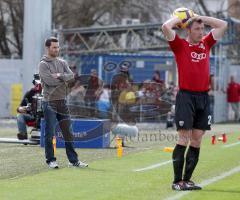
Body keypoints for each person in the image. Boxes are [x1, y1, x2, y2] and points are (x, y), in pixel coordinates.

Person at [162, 13, 227, 190]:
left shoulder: (206, 44)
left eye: (202, 29)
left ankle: (187, 179)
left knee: (197, 139)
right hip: (186, 97)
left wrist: (200, 17)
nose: (201, 31)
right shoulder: (180, 45)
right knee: (184, 137)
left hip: (203, 98)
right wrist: (180, 17)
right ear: (188, 30)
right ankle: (177, 182)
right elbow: (165, 28)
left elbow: (222, 25)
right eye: (197, 29)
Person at [39, 37, 88, 169]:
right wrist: (62, 78)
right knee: (49, 133)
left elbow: (71, 76)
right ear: (48, 48)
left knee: (68, 132)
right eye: (54, 47)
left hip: (62, 102)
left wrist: (59, 75)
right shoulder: (43, 64)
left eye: (58, 47)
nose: (57, 49)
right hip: (49, 102)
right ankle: (51, 160)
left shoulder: (62, 62)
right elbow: (50, 82)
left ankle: (73, 161)